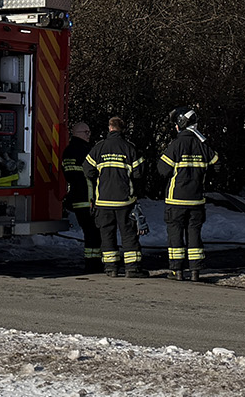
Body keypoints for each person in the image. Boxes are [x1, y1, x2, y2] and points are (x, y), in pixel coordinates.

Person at [157, 106, 218, 282]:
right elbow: (218, 165)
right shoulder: (203, 145)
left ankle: (177, 271)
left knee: (175, 234)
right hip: (197, 200)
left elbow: (162, 169)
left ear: (180, 124)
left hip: (176, 200)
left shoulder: (176, 145)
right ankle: (195, 271)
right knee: (194, 235)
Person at [82, 117, 147, 278]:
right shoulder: (129, 148)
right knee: (128, 234)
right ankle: (132, 268)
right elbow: (139, 172)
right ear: (123, 129)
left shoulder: (99, 148)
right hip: (124, 201)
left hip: (103, 201)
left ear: (109, 128)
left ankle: (111, 268)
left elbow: (87, 170)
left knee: (107, 234)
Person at [61, 122, 102, 273]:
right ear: (78, 133)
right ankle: (94, 264)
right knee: (94, 233)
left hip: (78, 199)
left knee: (89, 232)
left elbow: (69, 174)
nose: (88, 134)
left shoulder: (68, 151)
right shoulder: (86, 151)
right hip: (89, 199)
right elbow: (91, 175)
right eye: (86, 132)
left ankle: (91, 262)